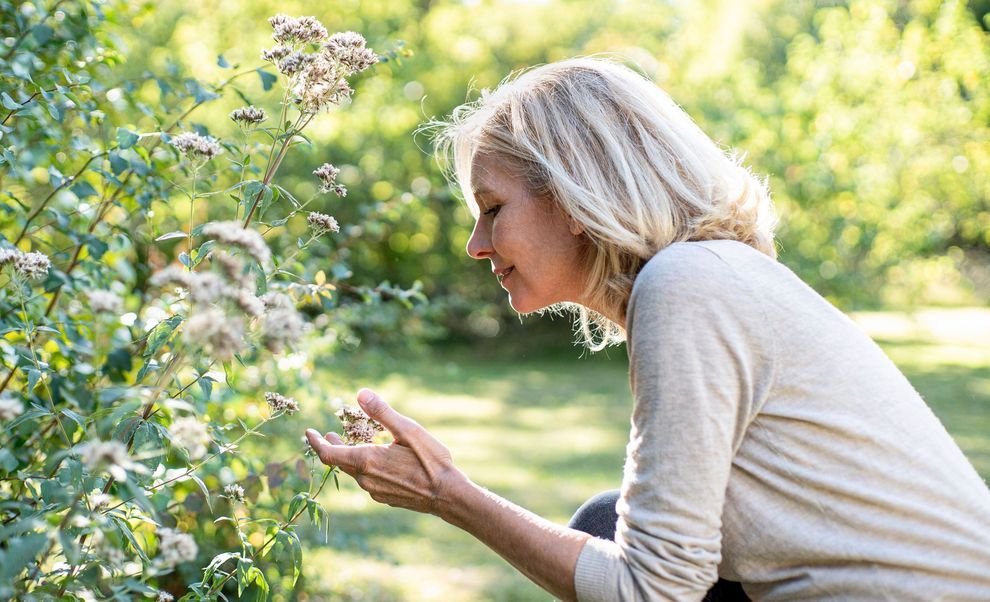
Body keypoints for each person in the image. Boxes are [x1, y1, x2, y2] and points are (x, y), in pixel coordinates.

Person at [304, 57, 990, 601]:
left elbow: (650, 591)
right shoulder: (709, 278)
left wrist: (451, 495)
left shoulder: (687, 285)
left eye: (492, 209)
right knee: (604, 521)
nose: (476, 245)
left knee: (601, 534)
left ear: (572, 194)